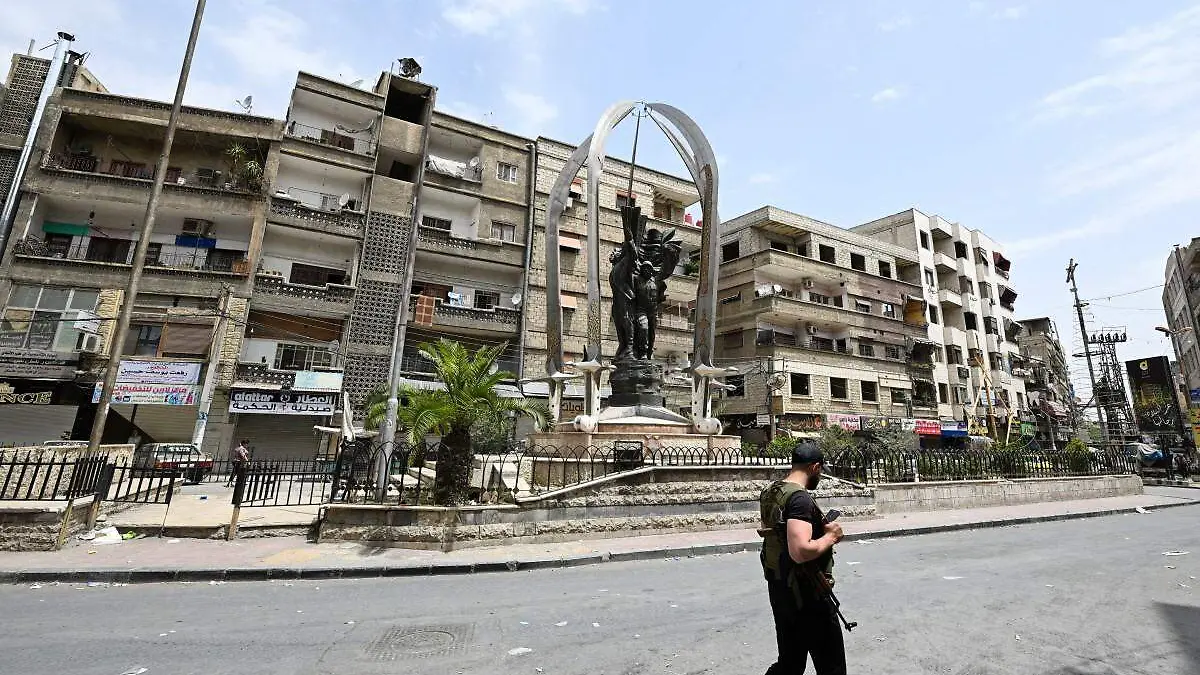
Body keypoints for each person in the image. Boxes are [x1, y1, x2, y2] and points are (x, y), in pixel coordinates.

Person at [758, 442, 847, 674]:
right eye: (820, 471)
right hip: (807, 592)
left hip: (781, 587)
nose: (820, 475)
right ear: (815, 467)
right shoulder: (800, 499)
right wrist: (831, 537)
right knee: (831, 666)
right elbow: (800, 551)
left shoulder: (771, 491)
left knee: (790, 663)